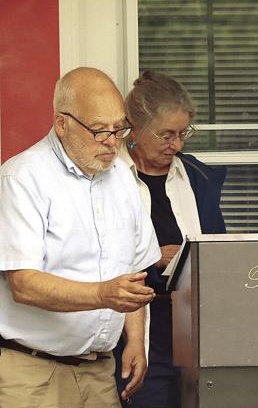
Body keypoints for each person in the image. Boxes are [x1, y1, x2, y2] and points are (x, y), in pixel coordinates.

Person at [0, 67, 161, 408]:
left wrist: (135, 339)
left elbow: (132, 272)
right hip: (30, 372)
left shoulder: (122, 178)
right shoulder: (22, 178)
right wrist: (103, 294)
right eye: (100, 131)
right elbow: (23, 284)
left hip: (100, 369)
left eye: (120, 129)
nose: (113, 143)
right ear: (62, 124)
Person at [113, 70, 226, 407]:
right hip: (135, 327)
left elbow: (218, 248)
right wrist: (152, 256)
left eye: (182, 133)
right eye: (165, 135)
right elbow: (90, 256)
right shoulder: (110, 180)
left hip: (195, 323)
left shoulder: (197, 176)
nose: (176, 145)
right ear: (134, 129)